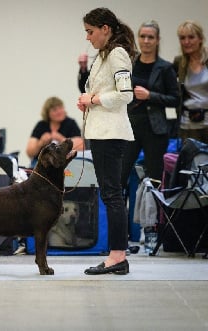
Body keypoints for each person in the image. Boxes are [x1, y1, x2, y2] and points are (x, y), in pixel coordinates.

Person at [77, 7, 137, 275]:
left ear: (105, 29)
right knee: (110, 194)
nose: (88, 37)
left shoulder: (117, 54)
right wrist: (88, 100)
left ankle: (117, 256)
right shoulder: (103, 56)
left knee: (112, 195)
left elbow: (126, 94)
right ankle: (117, 255)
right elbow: (101, 90)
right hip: (101, 132)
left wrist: (94, 99)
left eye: (90, 32)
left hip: (112, 134)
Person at [121, 20, 180, 189]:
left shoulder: (166, 68)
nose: (146, 41)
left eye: (150, 37)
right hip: (130, 126)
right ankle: (121, 215)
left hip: (155, 130)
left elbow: (175, 99)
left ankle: (154, 215)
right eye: (143, 36)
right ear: (138, 38)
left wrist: (150, 96)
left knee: (155, 178)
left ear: (157, 40)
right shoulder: (129, 64)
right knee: (121, 175)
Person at [174, 20, 208, 144]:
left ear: (200, 38)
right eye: (182, 38)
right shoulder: (179, 63)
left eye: (191, 37)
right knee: (192, 162)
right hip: (188, 125)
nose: (186, 42)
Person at [26, 96, 84, 168]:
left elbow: (82, 147)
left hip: (63, 164)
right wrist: (40, 143)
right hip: (41, 164)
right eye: (55, 110)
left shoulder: (70, 123)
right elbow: (30, 153)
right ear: (47, 113)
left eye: (61, 108)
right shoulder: (41, 125)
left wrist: (61, 139)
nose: (59, 111)